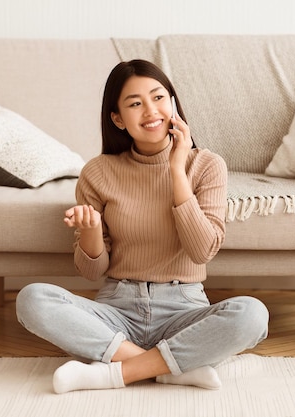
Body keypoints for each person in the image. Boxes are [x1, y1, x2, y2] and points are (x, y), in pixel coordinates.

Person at [16, 59, 269, 394]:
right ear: (118, 119)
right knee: (32, 299)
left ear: (173, 103)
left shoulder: (206, 165)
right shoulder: (99, 171)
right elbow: (91, 272)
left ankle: (113, 373)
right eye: (135, 104)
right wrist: (91, 231)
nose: (151, 111)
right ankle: (170, 368)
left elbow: (202, 250)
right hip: (116, 312)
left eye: (159, 97)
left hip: (184, 310)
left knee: (252, 315)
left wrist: (177, 171)